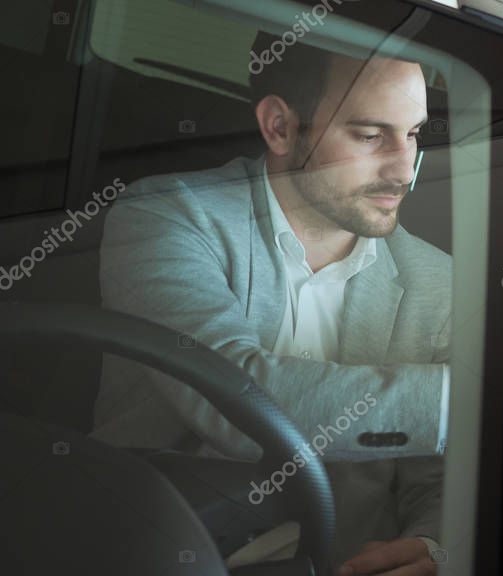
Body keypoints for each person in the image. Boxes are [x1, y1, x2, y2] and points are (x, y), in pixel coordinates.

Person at [92, 32, 449, 574]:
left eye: (414, 134)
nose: (404, 169)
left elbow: (438, 474)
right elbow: (225, 392)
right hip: (154, 553)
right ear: (280, 126)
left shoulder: (437, 281)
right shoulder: (167, 217)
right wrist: (467, 401)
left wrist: (434, 543)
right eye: (372, 135)